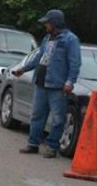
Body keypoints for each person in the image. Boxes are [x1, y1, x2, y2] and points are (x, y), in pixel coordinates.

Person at [12, 9, 81, 158]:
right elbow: (39, 57)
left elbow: (75, 63)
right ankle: (33, 144)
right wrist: (23, 69)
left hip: (57, 85)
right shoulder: (47, 38)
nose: (45, 26)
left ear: (55, 23)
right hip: (41, 82)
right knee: (37, 115)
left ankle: (51, 146)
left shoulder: (70, 40)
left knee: (58, 118)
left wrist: (70, 82)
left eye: (47, 23)